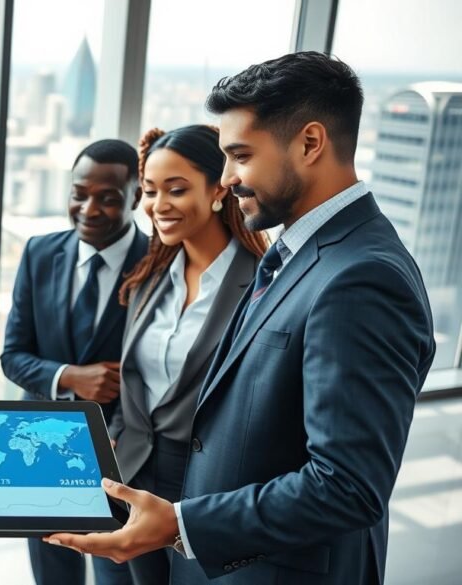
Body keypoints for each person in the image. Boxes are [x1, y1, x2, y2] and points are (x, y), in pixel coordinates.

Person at [45, 51, 435, 585]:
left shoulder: (362, 278)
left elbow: (347, 486)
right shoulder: (300, 254)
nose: (226, 178)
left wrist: (180, 523)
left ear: (311, 143)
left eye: (240, 155)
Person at [107, 124, 267, 584]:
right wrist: (118, 434)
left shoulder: (261, 282)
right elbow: (135, 381)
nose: (159, 206)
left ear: (219, 187)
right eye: (151, 191)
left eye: (176, 190)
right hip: (137, 477)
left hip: (208, 485)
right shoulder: (150, 277)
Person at [1, 139, 146, 585]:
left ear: (136, 197)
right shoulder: (39, 253)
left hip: (122, 460)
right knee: (52, 574)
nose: (89, 208)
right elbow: (13, 356)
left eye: (108, 198)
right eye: (79, 194)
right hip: (40, 453)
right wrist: (69, 377)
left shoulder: (158, 264)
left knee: (116, 576)